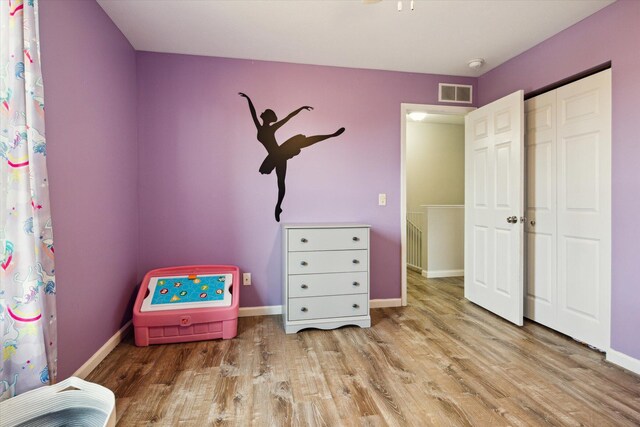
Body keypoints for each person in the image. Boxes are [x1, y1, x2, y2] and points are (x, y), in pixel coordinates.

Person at [239, 93, 345, 221]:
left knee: (301, 143)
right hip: (275, 156)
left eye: (264, 112)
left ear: (266, 117)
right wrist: (248, 99)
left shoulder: (269, 128)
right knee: (281, 182)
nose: (261, 113)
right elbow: (253, 112)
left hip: (280, 152)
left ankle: (331, 135)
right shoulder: (261, 127)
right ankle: (278, 207)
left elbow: (288, 117)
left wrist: (300, 109)